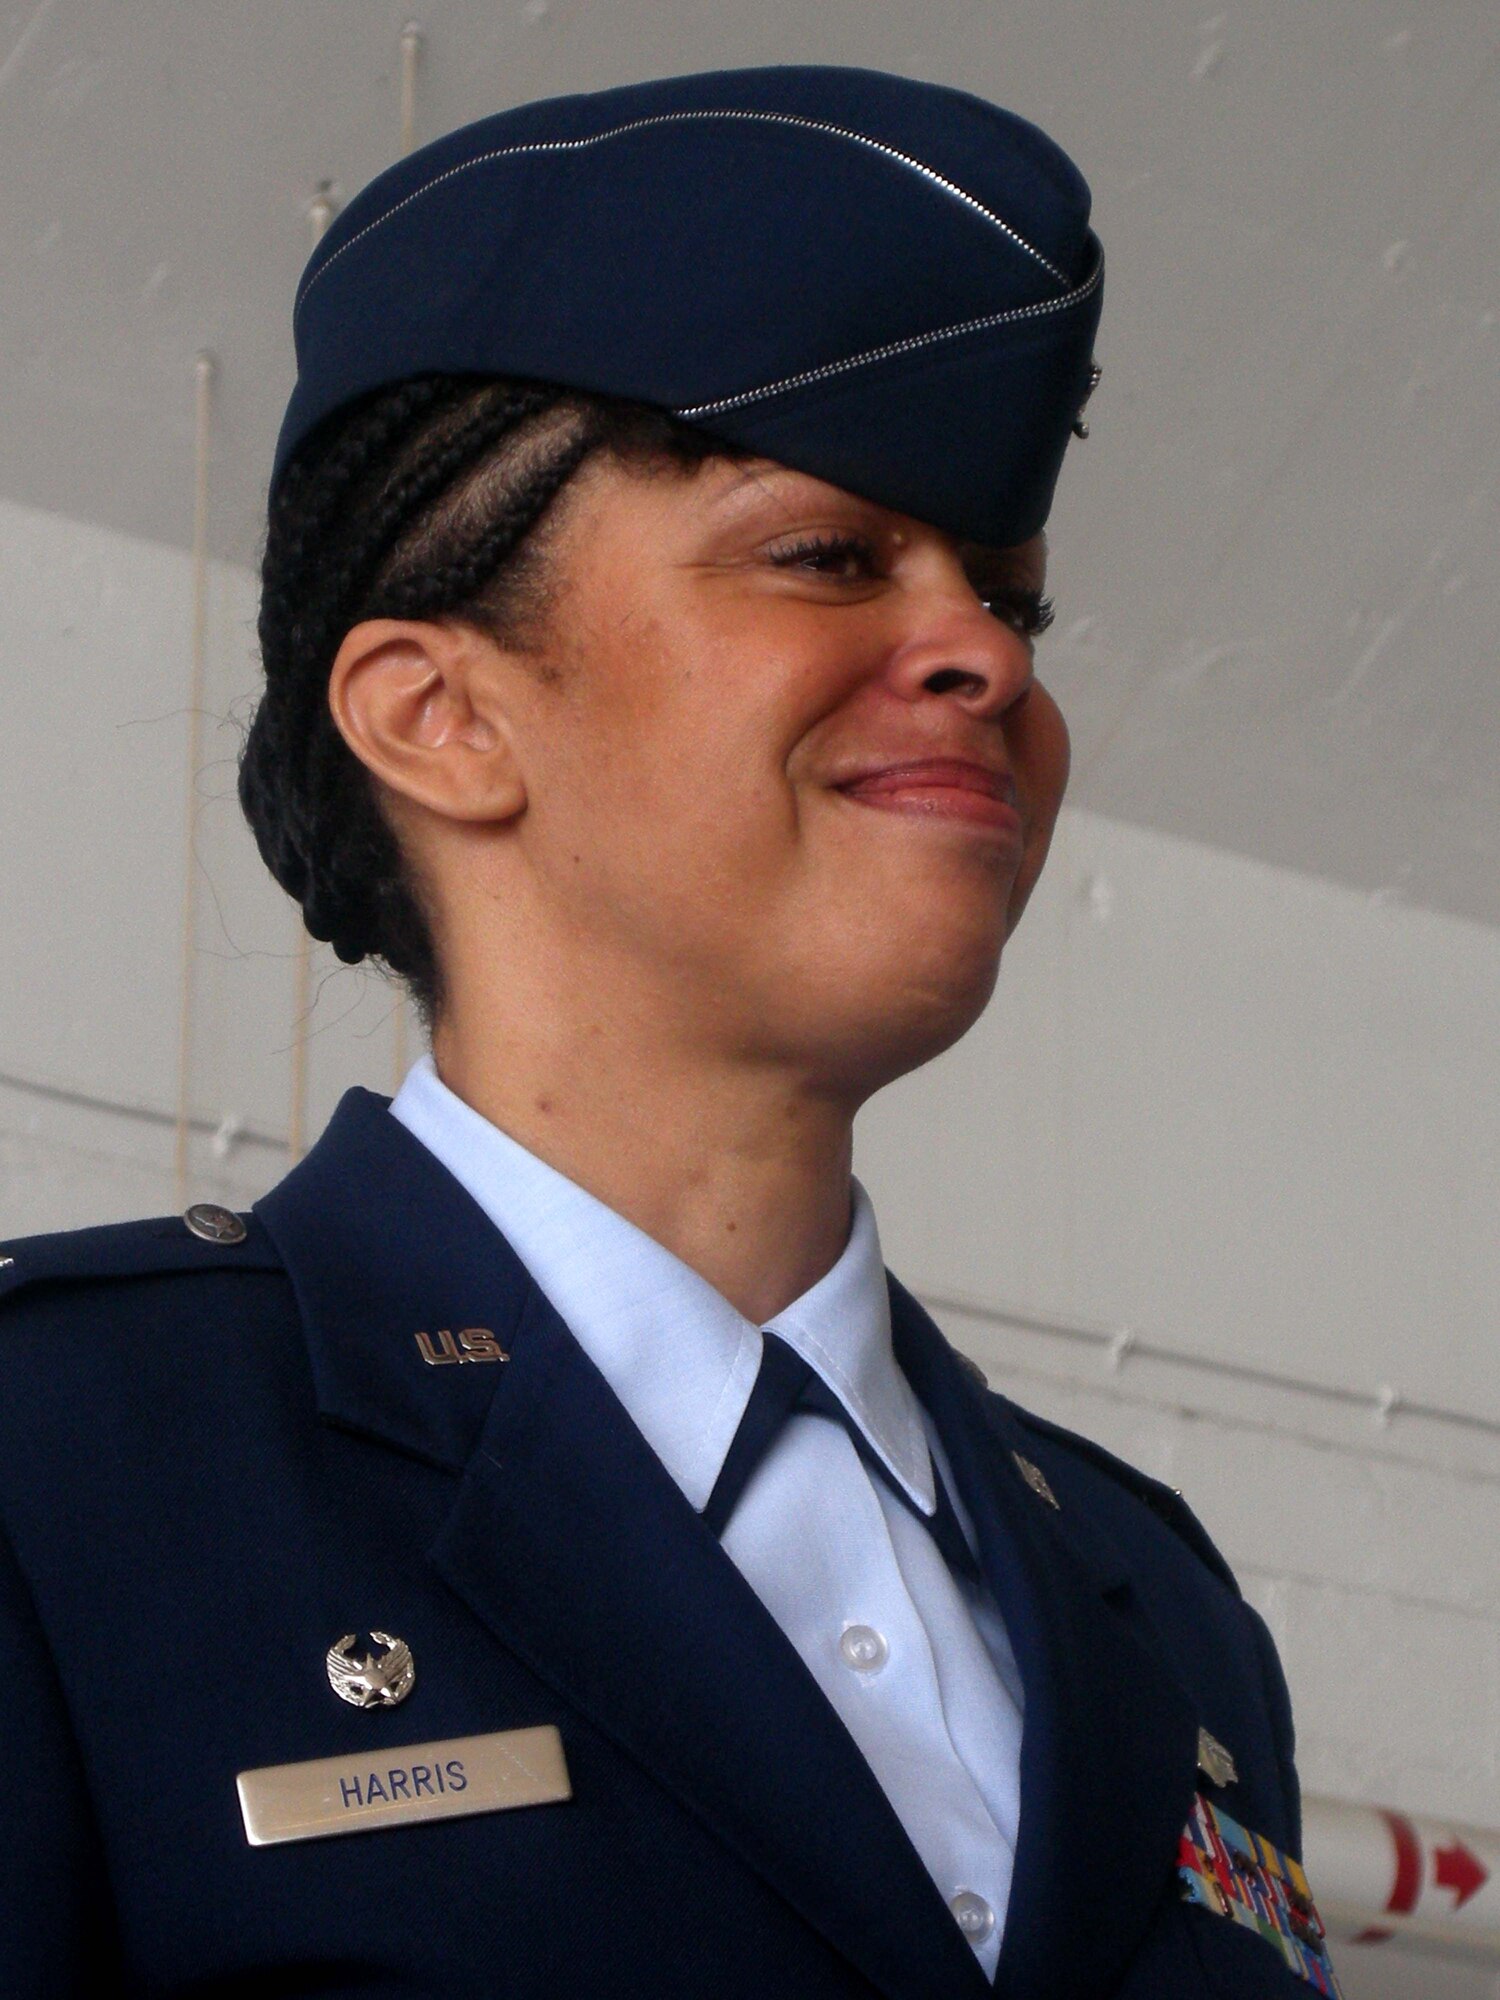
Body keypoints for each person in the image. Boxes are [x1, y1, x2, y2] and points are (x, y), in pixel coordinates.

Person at [0, 64, 1340, 2000]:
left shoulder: (1161, 1608)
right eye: (827, 556)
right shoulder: (69, 1461)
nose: (990, 654)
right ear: (439, 716)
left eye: (1014, 599)